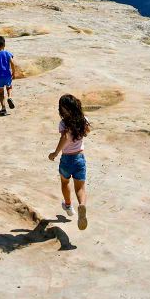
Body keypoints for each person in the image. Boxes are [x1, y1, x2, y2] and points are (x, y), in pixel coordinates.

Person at [48, 94, 91, 230]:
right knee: (80, 187)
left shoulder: (63, 124)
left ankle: (67, 205)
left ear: (62, 110)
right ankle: (82, 205)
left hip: (66, 159)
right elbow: (87, 132)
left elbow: (64, 138)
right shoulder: (83, 120)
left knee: (65, 182)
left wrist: (55, 153)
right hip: (79, 159)